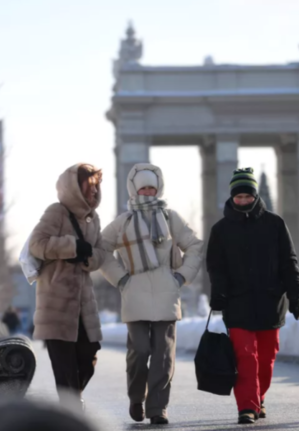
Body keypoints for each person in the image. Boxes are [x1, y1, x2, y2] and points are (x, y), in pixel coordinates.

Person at [99, 163, 204, 425]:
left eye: (152, 187)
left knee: (164, 354)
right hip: (134, 295)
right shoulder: (123, 222)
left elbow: (194, 246)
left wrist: (181, 276)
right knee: (140, 350)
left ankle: (158, 407)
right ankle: (137, 397)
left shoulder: (171, 218)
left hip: (167, 295)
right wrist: (121, 279)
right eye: (143, 187)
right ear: (134, 189)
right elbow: (100, 251)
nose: (148, 191)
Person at [207, 167, 299, 425]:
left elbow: (289, 262)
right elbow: (215, 267)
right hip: (237, 303)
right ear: (232, 197)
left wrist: (296, 295)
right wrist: (218, 294)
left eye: (247, 196)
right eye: (238, 197)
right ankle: (247, 407)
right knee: (245, 356)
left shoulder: (275, 224)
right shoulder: (221, 229)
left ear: (255, 196)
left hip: (271, 302)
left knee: (267, 358)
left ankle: (258, 396)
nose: (242, 201)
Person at [28, 163, 105, 412]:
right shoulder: (56, 212)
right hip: (56, 303)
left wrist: (88, 257)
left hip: (84, 304)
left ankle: (72, 399)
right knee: (64, 364)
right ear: (75, 187)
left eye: (96, 186)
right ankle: (71, 407)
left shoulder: (94, 219)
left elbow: (101, 254)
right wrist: (71, 247)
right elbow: (37, 245)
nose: (94, 191)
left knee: (89, 353)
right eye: (89, 186)